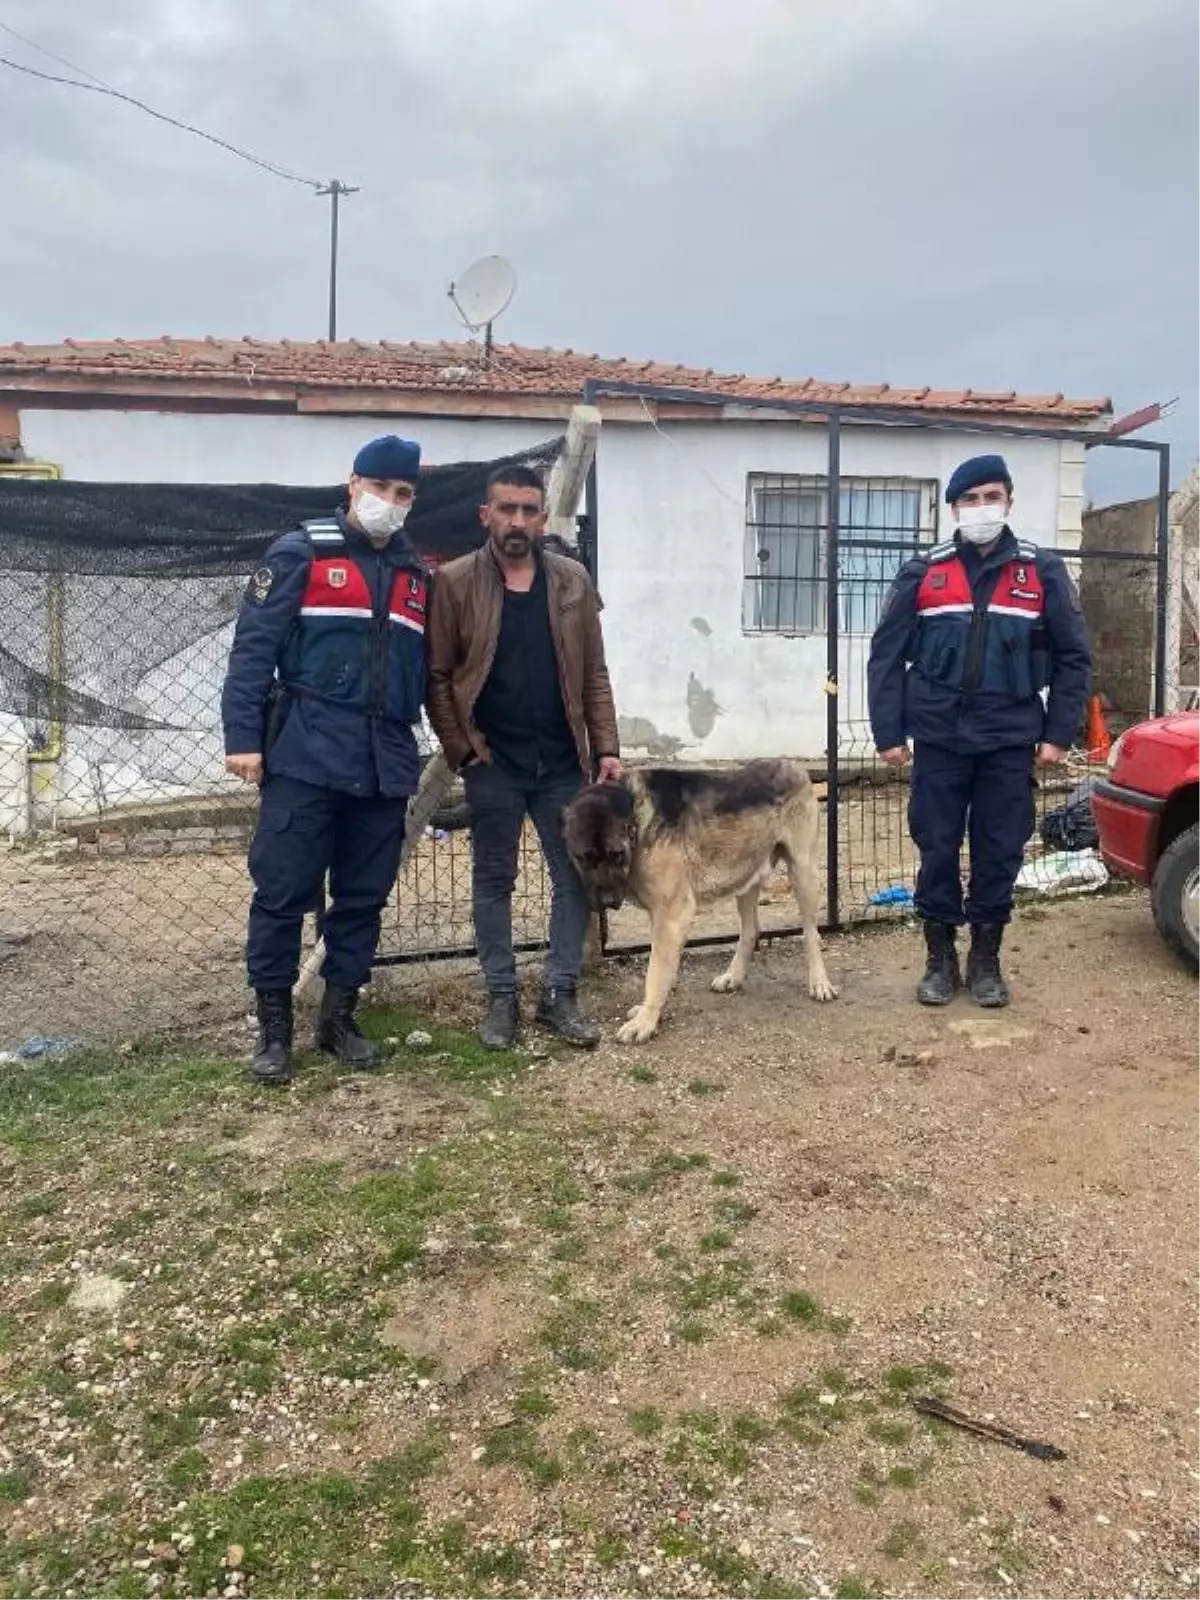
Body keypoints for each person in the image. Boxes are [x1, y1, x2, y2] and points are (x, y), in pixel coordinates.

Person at [221, 435, 427, 1084]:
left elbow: (427, 669)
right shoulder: (300, 552)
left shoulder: (414, 573)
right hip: (306, 755)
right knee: (283, 894)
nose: (389, 504)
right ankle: (275, 1032)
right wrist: (242, 740)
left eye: (403, 495)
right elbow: (253, 652)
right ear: (352, 484)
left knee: (362, 900)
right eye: (380, 489)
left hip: (385, 761)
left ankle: (339, 1020)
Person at [867, 453, 1091, 1008]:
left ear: (1009, 502)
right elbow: (886, 655)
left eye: (991, 496)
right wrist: (888, 732)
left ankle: (985, 956)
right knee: (937, 847)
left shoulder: (1041, 571)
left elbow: (1073, 658)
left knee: (999, 849)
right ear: (953, 509)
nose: (981, 507)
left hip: (1008, 738)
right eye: (970, 499)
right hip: (939, 737)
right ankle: (939, 957)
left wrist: (1059, 733)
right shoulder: (924, 571)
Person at [425, 464, 621, 1050]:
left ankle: (559, 995)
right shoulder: (456, 582)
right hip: (495, 762)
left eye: (527, 510)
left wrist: (605, 746)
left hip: (564, 761)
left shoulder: (571, 581)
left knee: (574, 880)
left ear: (541, 516)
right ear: (486, 514)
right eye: (506, 509)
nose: (517, 521)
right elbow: (436, 677)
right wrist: (463, 751)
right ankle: (502, 997)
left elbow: (594, 673)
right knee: (494, 881)